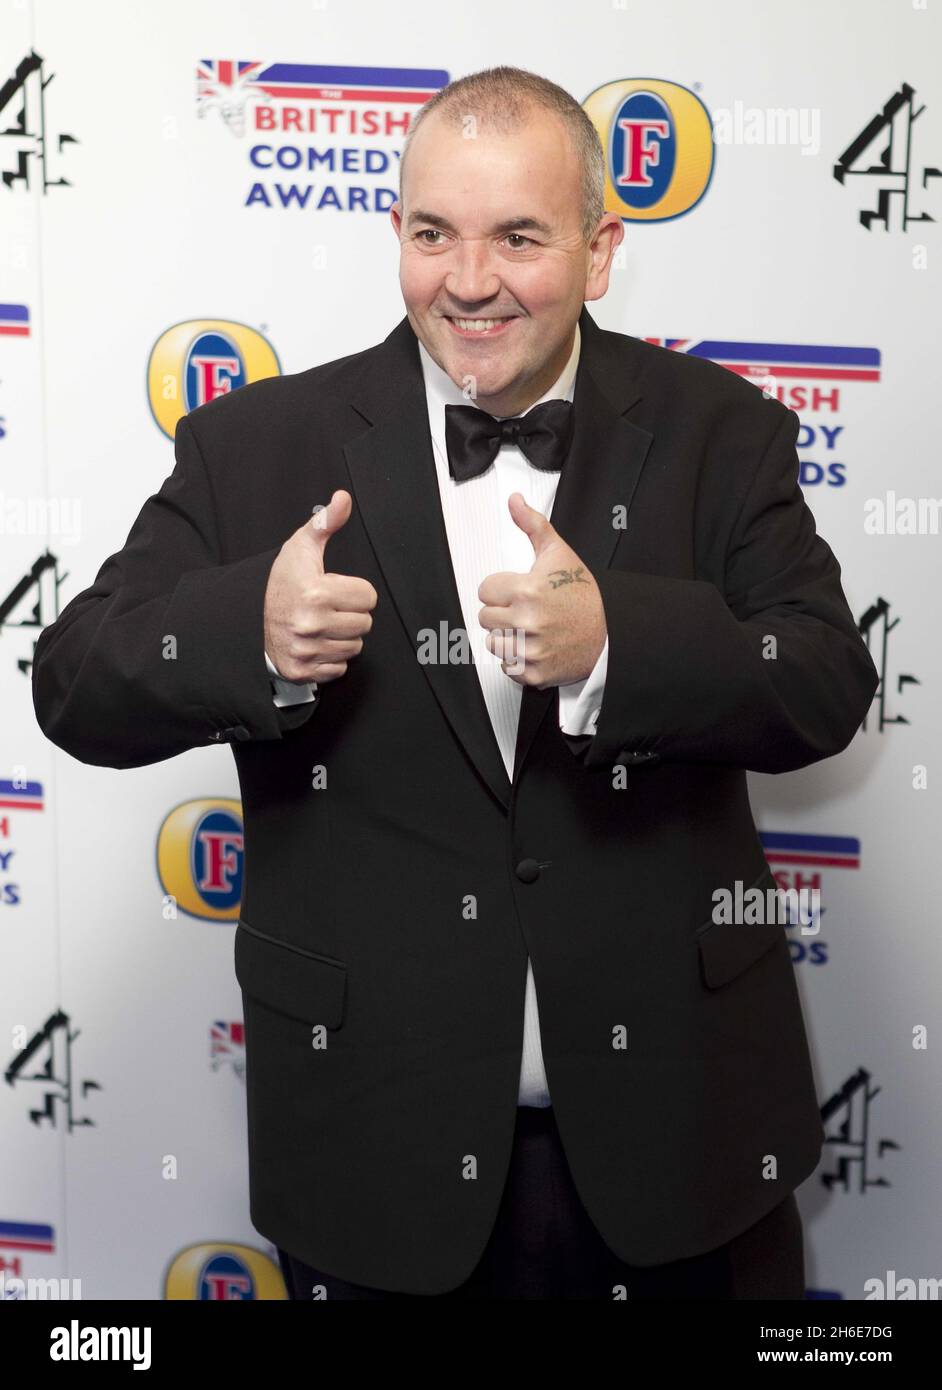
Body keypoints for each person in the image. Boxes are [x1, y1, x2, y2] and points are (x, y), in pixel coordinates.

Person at [31, 66, 879, 1299]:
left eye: (519, 238)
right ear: (398, 235)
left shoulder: (721, 429)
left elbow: (825, 683)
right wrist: (247, 634)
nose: (469, 282)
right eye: (434, 234)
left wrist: (621, 647)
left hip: (686, 1142)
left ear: (600, 251)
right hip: (372, 1156)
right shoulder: (256, 443)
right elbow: (72, 684)